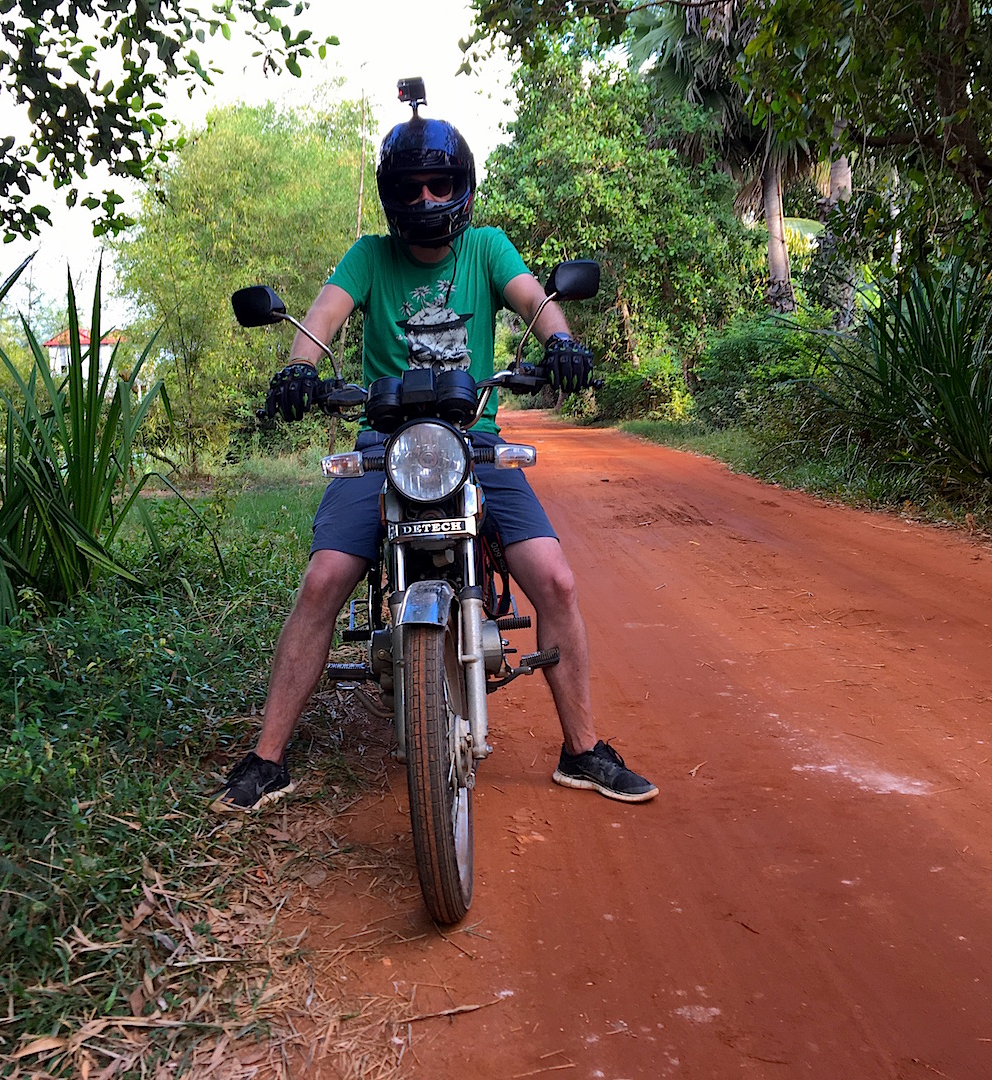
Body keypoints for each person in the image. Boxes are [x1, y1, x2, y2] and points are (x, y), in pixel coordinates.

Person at [210, 100, 658, 812]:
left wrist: (561, 342)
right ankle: (267, 758)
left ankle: (582, 748)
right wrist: (300, 366)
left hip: (474, 442)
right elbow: (323, 316)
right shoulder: (369, 256)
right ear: (392, 194)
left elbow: (534, 300)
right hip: (383, 444)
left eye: (439, 184)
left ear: (462, 188)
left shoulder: (487, 247)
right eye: (410, 186)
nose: (425, 199)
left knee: (557, 581)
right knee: (323, 580)